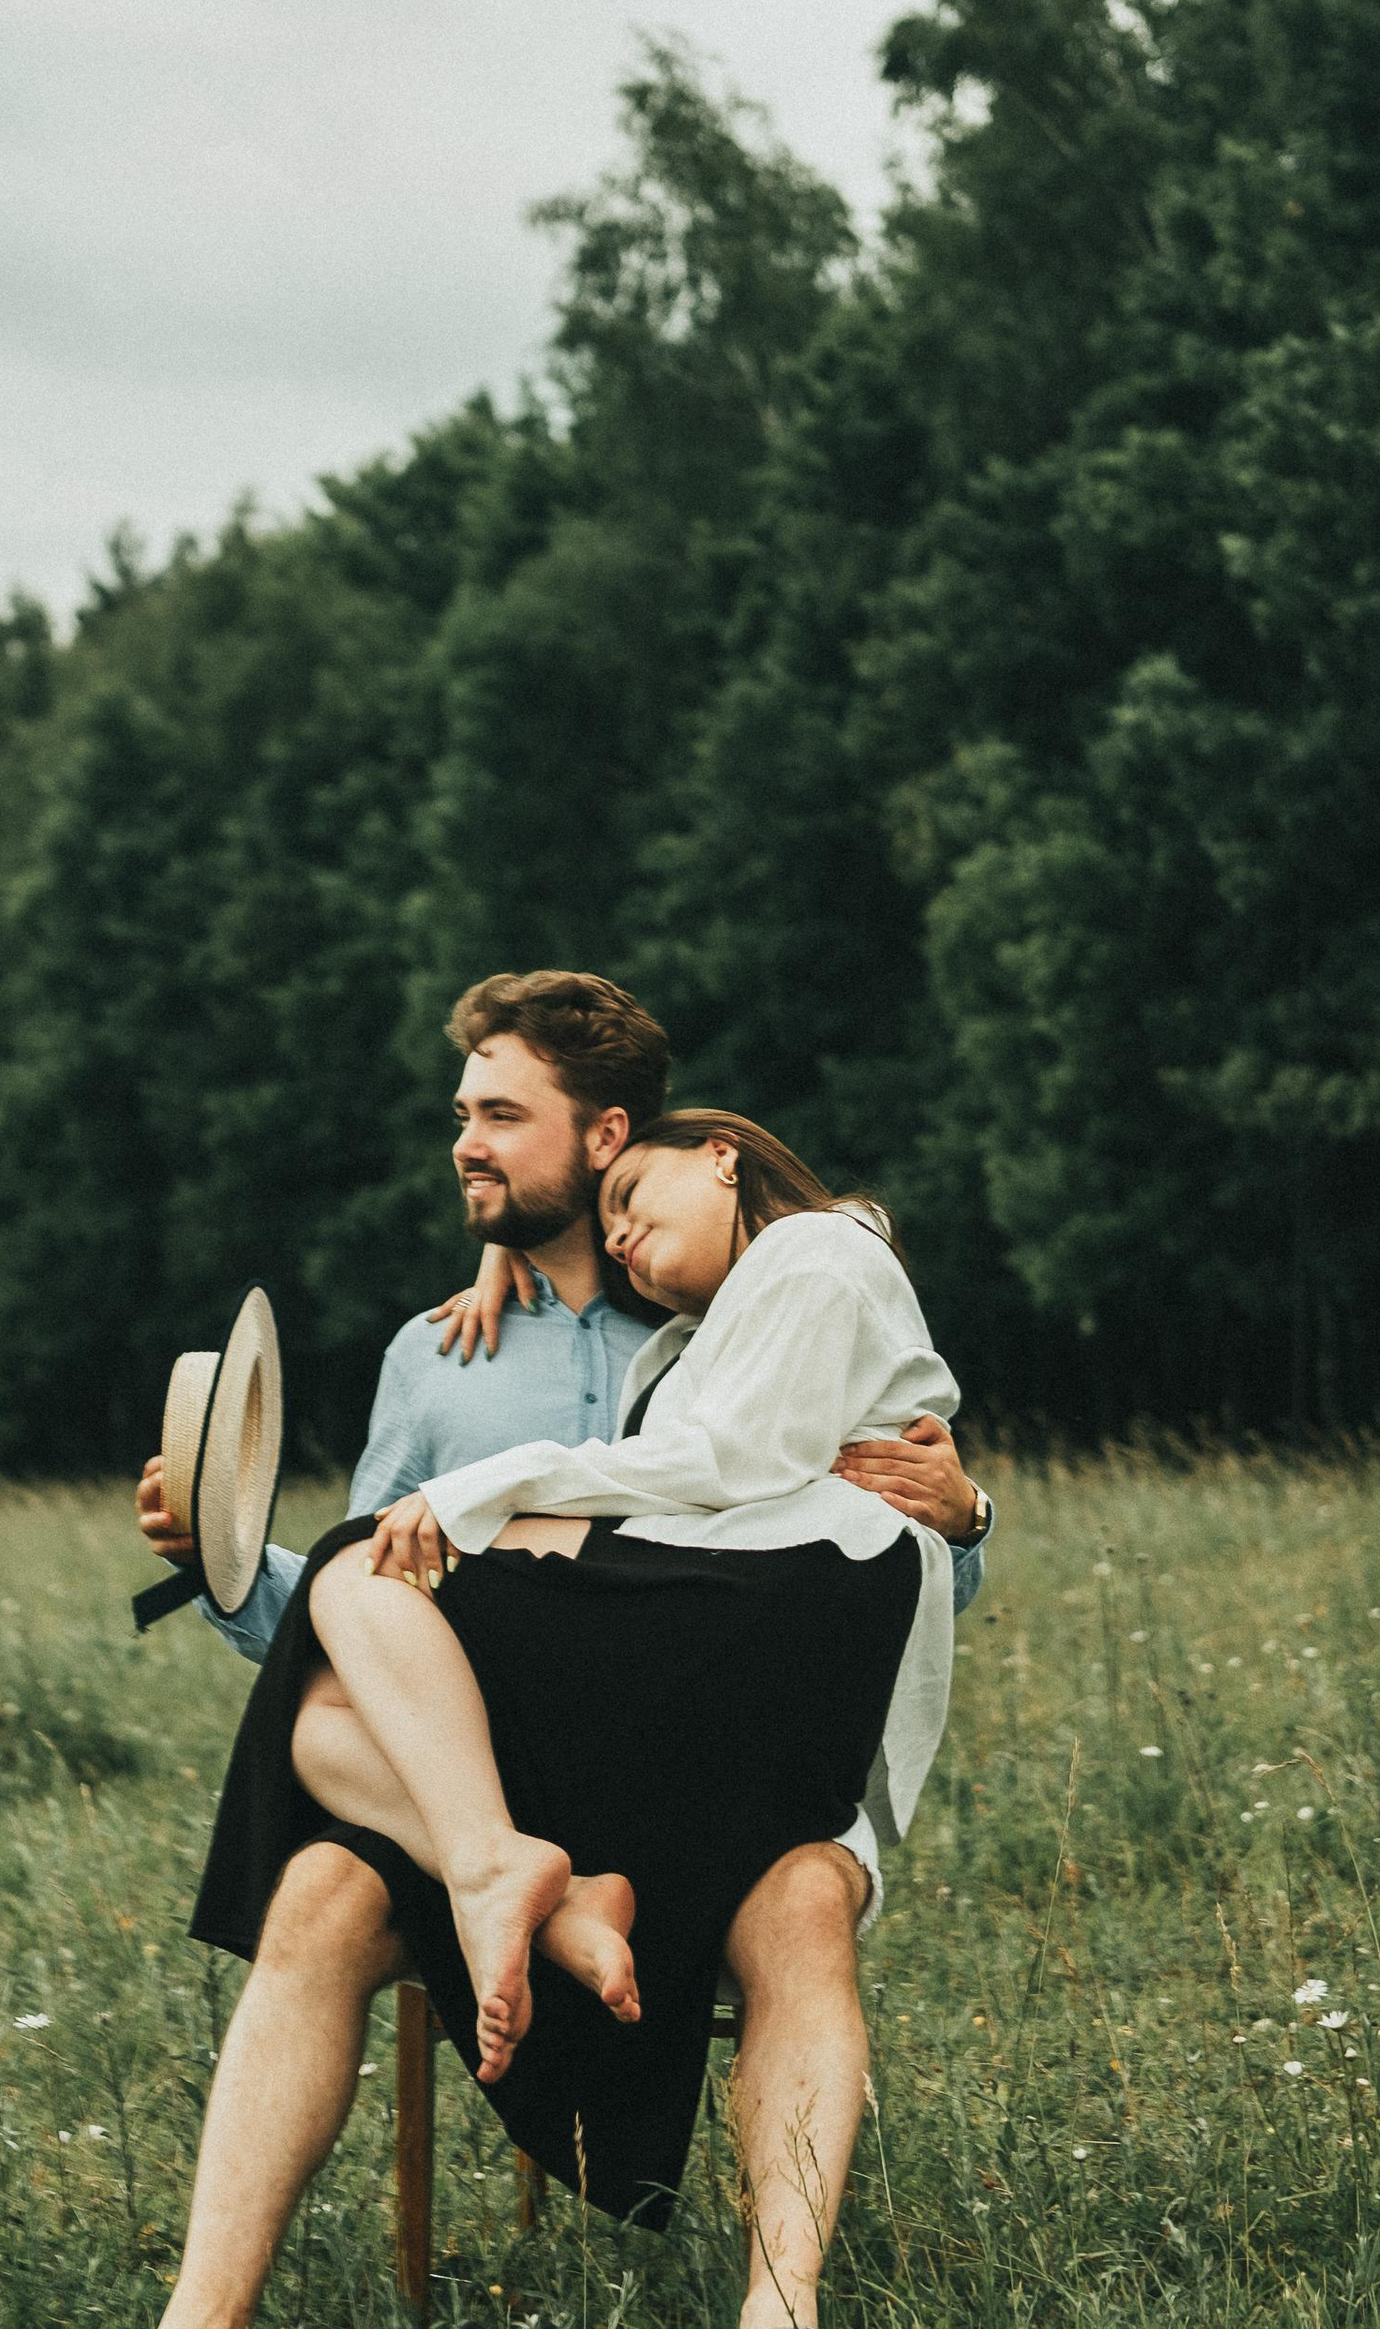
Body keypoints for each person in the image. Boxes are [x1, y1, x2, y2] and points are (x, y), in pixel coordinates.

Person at [146, 976, 992, 2329]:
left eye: (497, 1114)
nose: (464, 1144)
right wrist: (222, 1559)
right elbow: (353, 1614)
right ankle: (205, 2312)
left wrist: (969, 1514)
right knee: (316, 1845)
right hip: (503, 1744)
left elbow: (866, 1552)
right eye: (461, 1115)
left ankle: (784, 2300)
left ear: (611, 1137)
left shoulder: (731, 1314)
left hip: (720, 1731)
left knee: (804, 1909)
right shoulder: (435, 1359)